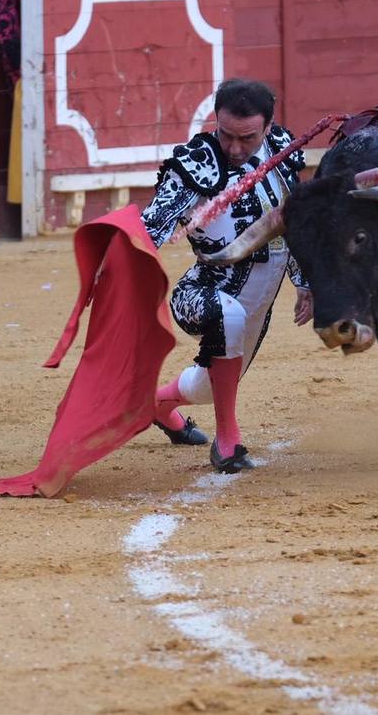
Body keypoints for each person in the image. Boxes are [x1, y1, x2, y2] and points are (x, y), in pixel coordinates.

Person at [141, 78, 311, 473]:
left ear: (268, 126)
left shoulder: (281, 150)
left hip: (260, 298)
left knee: (207, 385)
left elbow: (294, 222)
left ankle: (157, 406)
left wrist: (305, 282)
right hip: (203, 289)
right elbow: (153, 226)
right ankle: (228, 443)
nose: (234, 149)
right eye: (226, 135)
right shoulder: (197, 163)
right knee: (227, 318)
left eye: (247, 138)